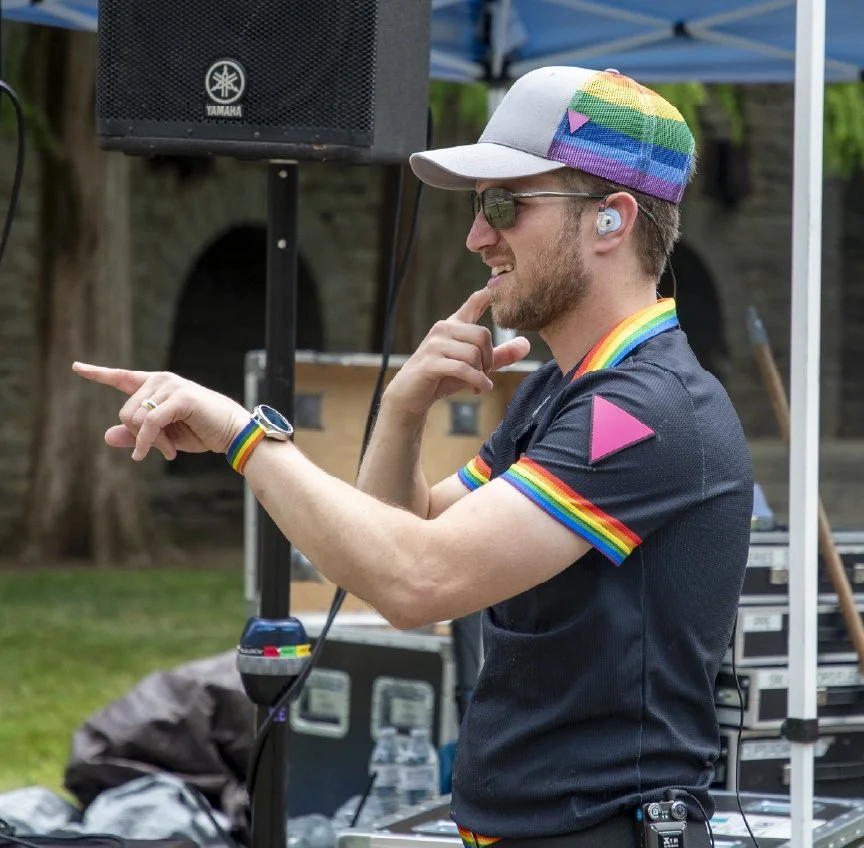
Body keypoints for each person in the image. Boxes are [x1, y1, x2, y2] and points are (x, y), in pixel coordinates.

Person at [75, 66, 753, 848]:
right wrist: (404, 408)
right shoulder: (562, 394)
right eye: (477, 207)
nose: (476, 237)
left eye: (506, 204)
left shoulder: (646, 410)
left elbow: (420, 580)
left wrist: (243, 435)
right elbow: (397, 542)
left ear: (611, 220)